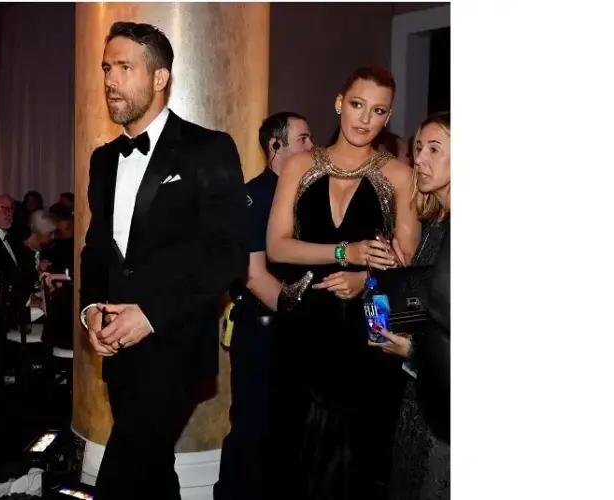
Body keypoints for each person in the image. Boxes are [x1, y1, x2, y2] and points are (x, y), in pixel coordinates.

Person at [77, 21, 247, 500]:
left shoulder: (208, 148)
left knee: (122, 474)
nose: (110, 79)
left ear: (159, 78)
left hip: (174, 343)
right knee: (152, 472)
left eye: (125, 67)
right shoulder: (104, 159)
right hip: (118, 350)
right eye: (107, 67)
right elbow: (96, 248)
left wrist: (150, 315)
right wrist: (92, 310)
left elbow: (229, 255)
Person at [265, 66, 420, 500]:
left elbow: (406, 264)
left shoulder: (399, 176)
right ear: (339, 103)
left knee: (357, 458)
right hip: (303, 323)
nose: (364, 118)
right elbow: (277, 247)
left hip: (368, 330)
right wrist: (343, 253)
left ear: (387, 118)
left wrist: (364, 278)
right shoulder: (298, 165)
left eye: (377, 110)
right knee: (295, 451)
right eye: (357, 105)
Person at [214, 111, 313, 500]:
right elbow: (255, 276)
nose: (312, 147)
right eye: (303, 139)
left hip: (291, 330)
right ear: (276, 146)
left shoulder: (304, 193)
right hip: (263, 330)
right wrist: (300, 319)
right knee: (253, 428)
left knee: (287, 430)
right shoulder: (254, 196)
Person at [367, 111, 451, 500]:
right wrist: (402, 277)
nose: (419, 159)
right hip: (421, 396)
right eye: (419, 148)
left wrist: (411, 351)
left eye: (435, 149)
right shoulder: (436, 223)